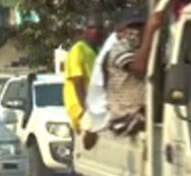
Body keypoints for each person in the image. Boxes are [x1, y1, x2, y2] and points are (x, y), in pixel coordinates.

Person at [105, 8, 147, 136]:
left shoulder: (143, 49)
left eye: (140, 26)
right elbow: (139, 69)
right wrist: (149, 35)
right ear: (120, 32)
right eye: (132, 27)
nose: (137, 31)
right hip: (124, 116)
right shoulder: (119, 48)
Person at [63, 13, 105, 133]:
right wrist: (87, 111)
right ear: (84, 31)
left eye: (99, 28)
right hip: (80, 110)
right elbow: (78, 83)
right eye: (91, 28)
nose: (95, 31)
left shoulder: (98, 52)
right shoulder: (78, 50)